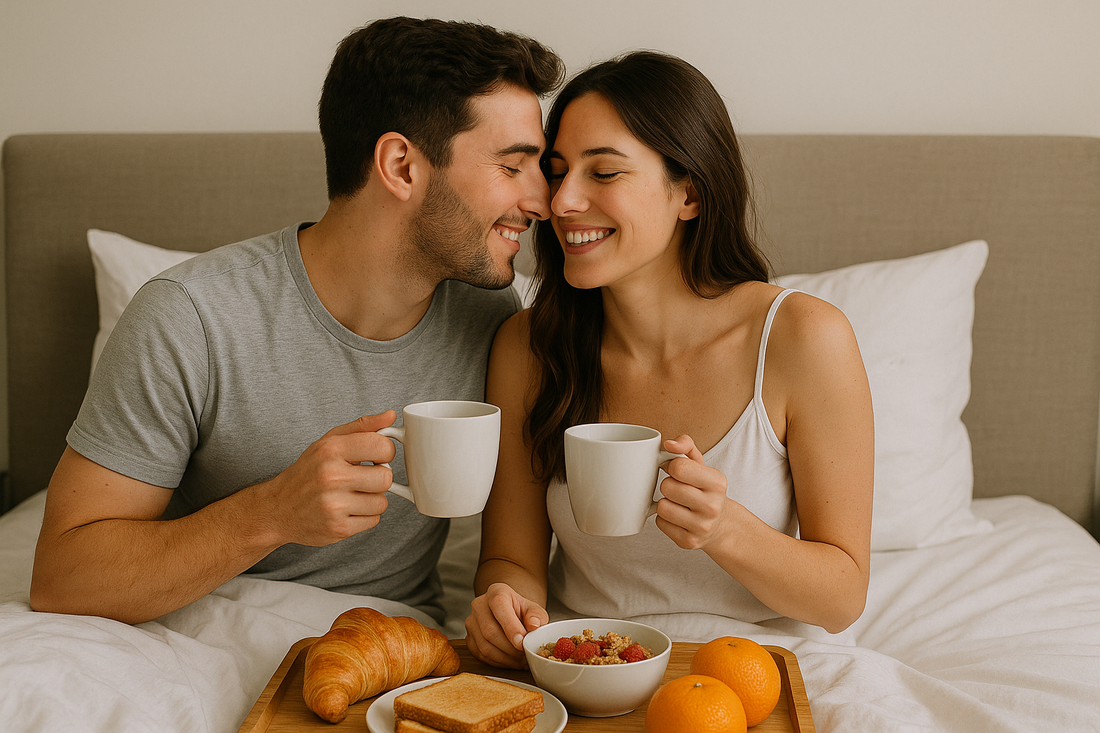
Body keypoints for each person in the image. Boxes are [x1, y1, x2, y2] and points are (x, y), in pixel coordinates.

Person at [29, 17, 564, 627]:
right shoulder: (189, 317)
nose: (542, 202)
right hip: (199, 637)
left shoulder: (495, 319)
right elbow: (62, 577)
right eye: (512, 166)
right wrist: (270, 514)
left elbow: (508, 551)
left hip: (394, 647)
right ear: (401, 166)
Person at [465, 51, 874, 668]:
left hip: (757, 672)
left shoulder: (802, 338)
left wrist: (724, 529)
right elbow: (511, 559)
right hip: (588, 666)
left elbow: (842, 597)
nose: (561, 201)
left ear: (690, 193)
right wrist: (504, 607)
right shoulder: (529, 347)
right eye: (557, 171)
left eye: (604, 174)